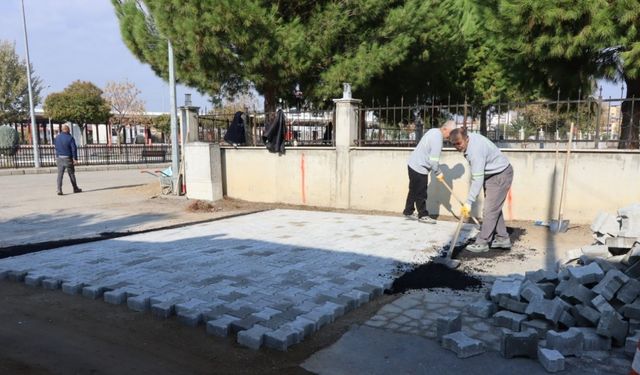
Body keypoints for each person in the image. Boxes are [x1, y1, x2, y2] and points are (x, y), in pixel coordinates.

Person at [448, 127, 513, 252]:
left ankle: (483, 242)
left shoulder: (475, 151)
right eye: (454, 144)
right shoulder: (468, 139)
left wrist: (469, 202)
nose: (457, 146)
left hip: (500, 175)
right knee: (494, 208)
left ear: (466, 139)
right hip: (492, 174)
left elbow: (477, 179)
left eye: (459, 143)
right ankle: (502, 238)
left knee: (489, 210)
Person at [403, 119, 456, 223]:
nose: (450, 136)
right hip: (419, 167)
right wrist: (438, 173)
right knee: (421, 193)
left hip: (412, 163)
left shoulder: (433, 131)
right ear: (445, 128)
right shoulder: (438, 139)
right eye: (450, 133)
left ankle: (408, 211)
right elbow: (433, 162)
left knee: (413, 189)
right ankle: (423, 215)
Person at [54, 124, 82, 196]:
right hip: (68, 158)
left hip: (59, 158)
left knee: (60, 175)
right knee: (71, 174)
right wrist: (75, 158)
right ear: (68, 130)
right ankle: (75, 188)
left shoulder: (57, 137)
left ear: (62, 130)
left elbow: (56, 147)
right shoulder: (70, 138)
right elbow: (73, 149)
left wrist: (57, 156)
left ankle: (59, 189)